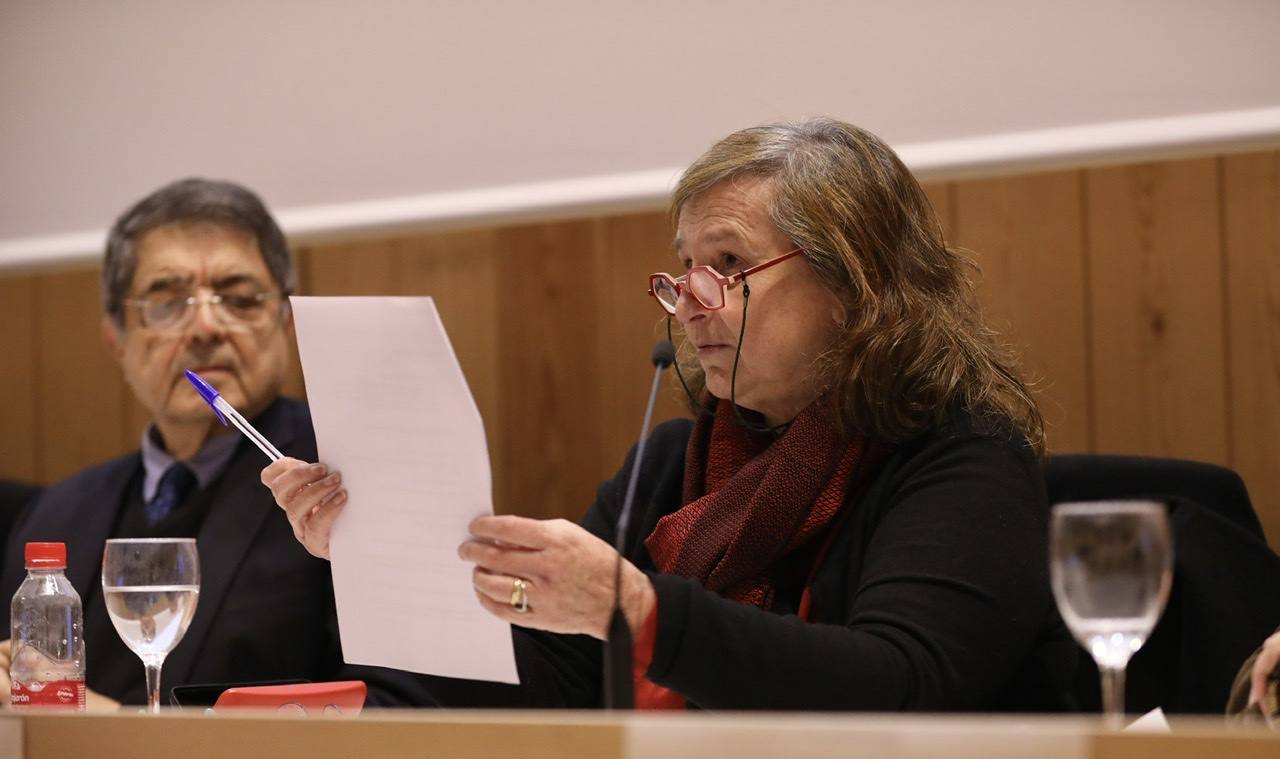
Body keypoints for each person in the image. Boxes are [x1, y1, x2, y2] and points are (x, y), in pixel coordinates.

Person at [264, 118, 1077, 710]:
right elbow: (558, 682)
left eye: (727, 265)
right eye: (683, 269)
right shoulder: (669, 467)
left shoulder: (962, 458)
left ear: (854, 286)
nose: (690, 303)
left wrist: (643, 610)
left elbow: (903, 683)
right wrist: (378, 555)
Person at [0, 178, 426, 708]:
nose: (204, 327)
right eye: (168, 301)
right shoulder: (58, 512)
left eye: (240, 299)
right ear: (116, 337)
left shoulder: (354, 479)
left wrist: (109, 722)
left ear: (284, 321)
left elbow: (400, 709)